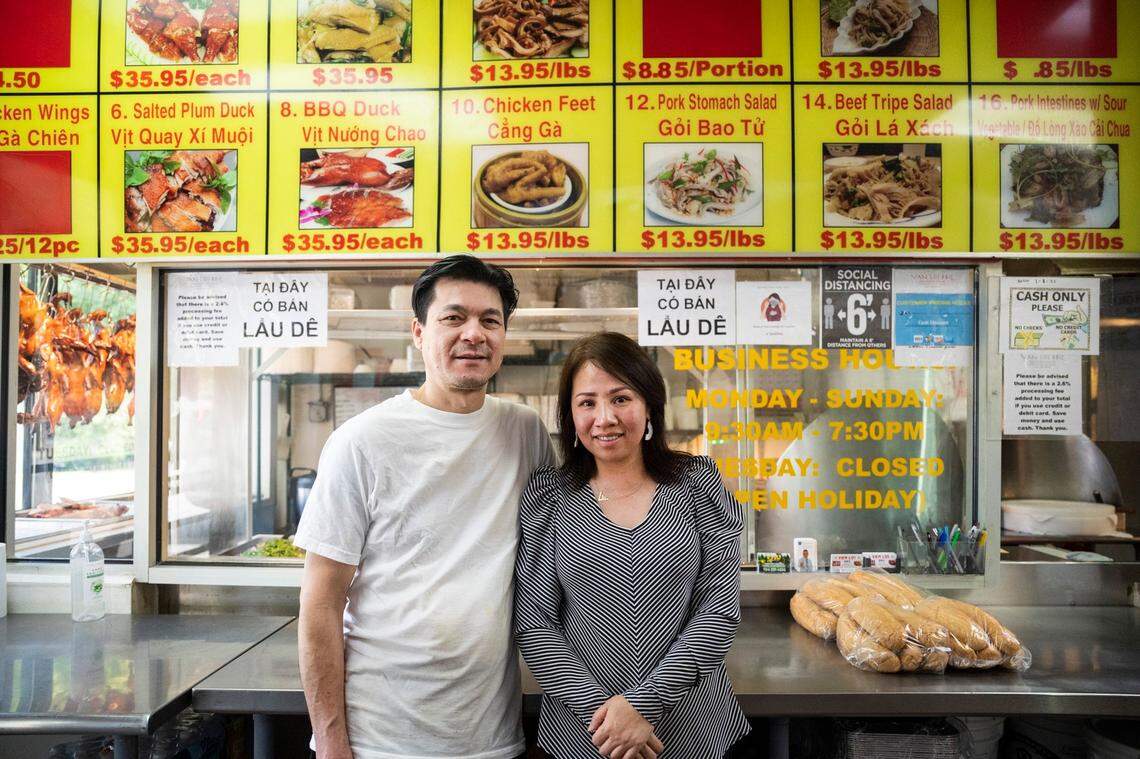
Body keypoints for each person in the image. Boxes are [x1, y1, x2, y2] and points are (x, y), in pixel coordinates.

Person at [295, 255, 554, 759]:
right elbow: (321, 601)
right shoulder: (361, 441)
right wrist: (330, 740)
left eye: (490, 320)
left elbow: (551, 570)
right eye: (453, 318)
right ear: (418, 332)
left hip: (493, 737)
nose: (473, 334)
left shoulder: (525, 432)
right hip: (382, 738)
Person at [514, 332, 750, 759]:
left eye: (620, 398)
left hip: (690, 723)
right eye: (587, 402)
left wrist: (644, 704)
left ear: (649, 405)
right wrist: (610, 719)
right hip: (584, 733)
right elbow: (535, 624)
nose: (604, 418)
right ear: (570, 415)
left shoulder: (696, 482)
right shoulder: (549, 495)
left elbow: (719, 610)